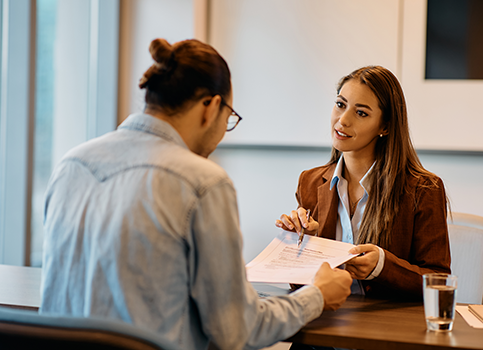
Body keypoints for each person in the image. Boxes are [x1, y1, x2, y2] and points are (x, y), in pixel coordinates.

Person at [39, 38, 352, 350]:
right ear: (211, 107)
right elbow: (237, 331)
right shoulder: (202, 182)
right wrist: (318, 295)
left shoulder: (71, 165)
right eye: (228, 118)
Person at [276, 65, 451, 300]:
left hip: (384, 329)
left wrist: (383, 267)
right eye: (340, 104)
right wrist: (303, 245)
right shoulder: (310, 181)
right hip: (324, 321)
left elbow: (439, 283)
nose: (343, 120)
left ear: (385, 126)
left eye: (361, 113)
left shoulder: (422, 189)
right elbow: (299, 286)